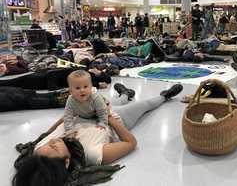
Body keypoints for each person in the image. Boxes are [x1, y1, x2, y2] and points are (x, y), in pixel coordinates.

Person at [12, 83, 183, 185]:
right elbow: (131, 143)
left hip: (86, 111)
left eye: (48, 143)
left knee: (114, 100)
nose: (53, 141)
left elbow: (61, 123)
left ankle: (125, 94)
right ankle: (165, 96)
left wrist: (52, 128)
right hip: (114, 120)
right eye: (54, 147)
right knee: (145, 105)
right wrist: (108, 117)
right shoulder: (92, 154)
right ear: (66, 162)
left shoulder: (40, 150)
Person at [63, 70, 109, 135]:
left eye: (85, 87)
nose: (82, 90)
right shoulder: (70, 100)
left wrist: (103, 123)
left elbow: (103, 112)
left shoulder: (95, 97)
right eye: (77, 88)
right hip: (87, 114)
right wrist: (69, 129)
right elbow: (68, 116)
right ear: (71, 91)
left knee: (110, 115)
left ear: (91, 87)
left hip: (103, 107)